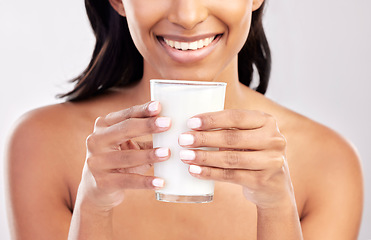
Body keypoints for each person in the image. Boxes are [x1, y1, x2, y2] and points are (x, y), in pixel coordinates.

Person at [5, 0, 363, 239]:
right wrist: (93, 209)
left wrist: (275, 209)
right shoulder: (42, 145)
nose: (188, 17)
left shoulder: (328, 164)